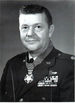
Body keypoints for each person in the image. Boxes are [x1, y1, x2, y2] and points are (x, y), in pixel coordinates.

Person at [0, 4, 74, 102]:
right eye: (25, 27)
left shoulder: (69, 66)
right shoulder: (12, 65)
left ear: (50, 31)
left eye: (38, 27)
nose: (30, 33)